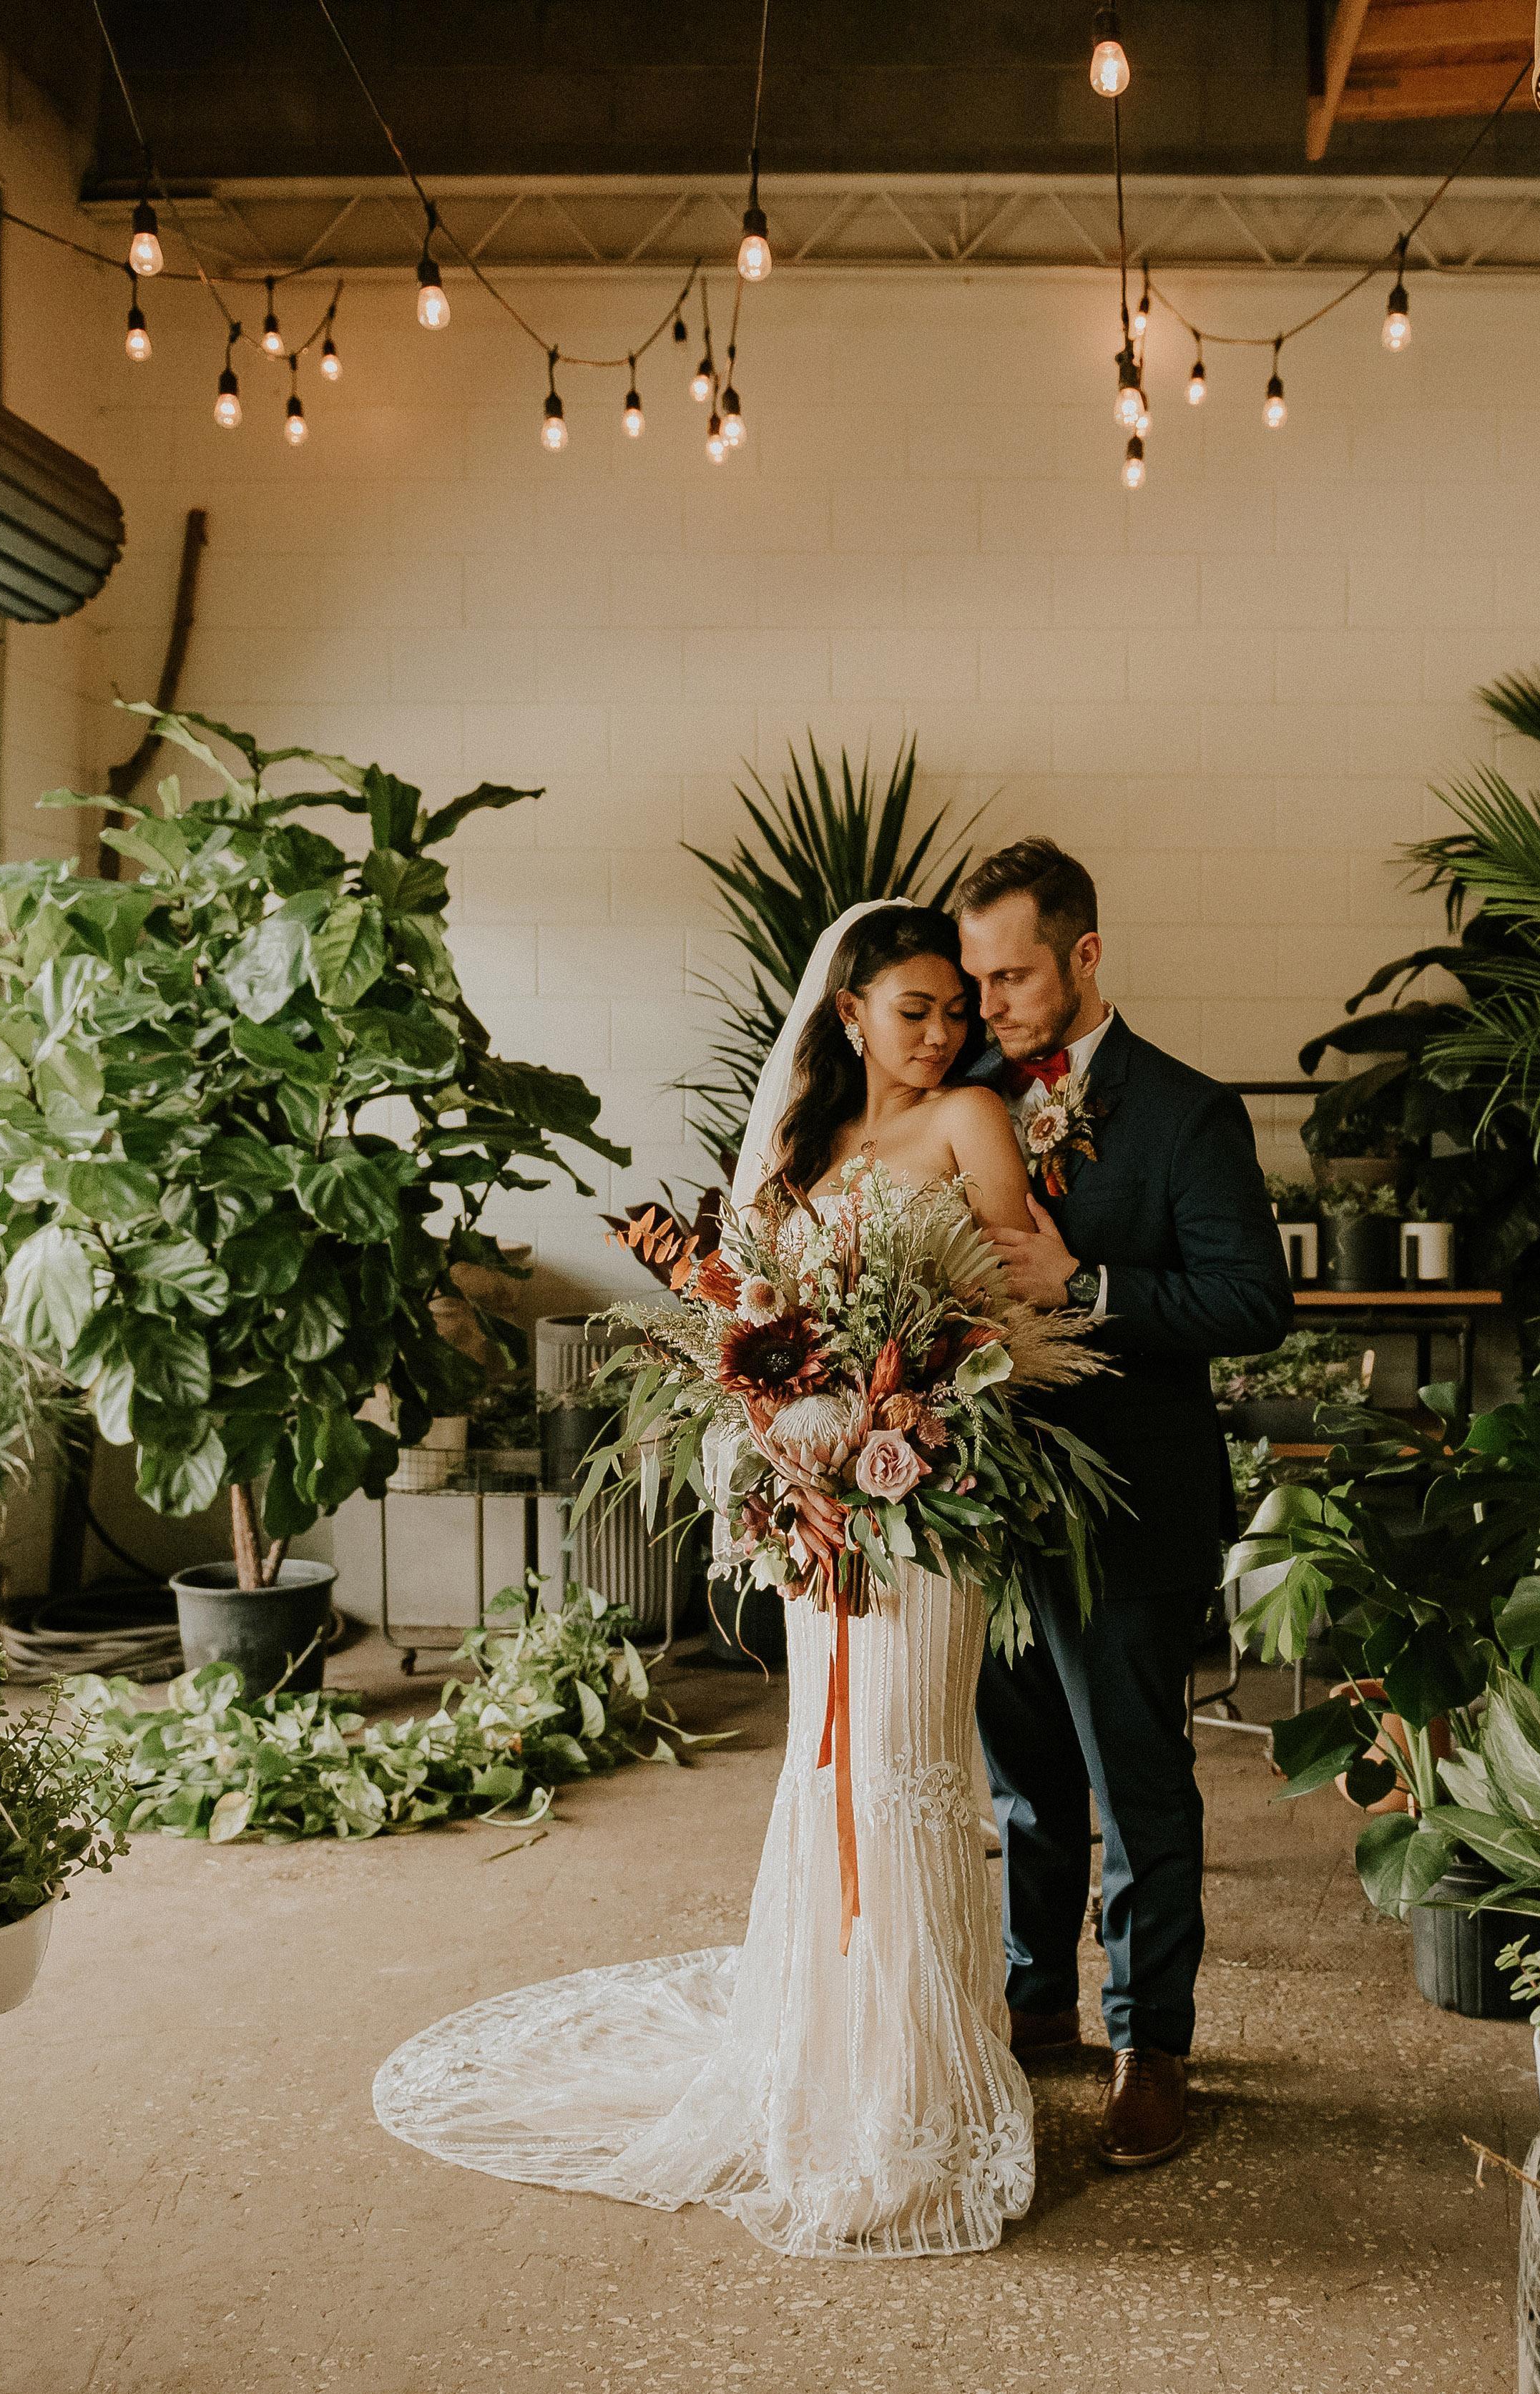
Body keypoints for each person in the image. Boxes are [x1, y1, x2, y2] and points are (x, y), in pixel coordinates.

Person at [373, 903, 1048, 2258]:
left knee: (905, 1774)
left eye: (954, 1011)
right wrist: (784, 1441)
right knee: (827, 1771)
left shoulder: (971, 1119)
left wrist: (906, 1409)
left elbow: (1019, 1305)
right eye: (912, 1010)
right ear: (847, 1012)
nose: (940, 1034)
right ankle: (826, 2067)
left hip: (922, 1501)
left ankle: (916, 2099)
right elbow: (742, 1317)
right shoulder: (798, 1145)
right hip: (813, 1509)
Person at [953, 838, 1296, 2172]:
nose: (987, 1005)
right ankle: (1037, 1998)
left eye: (1012, 977)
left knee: (1136, 1784)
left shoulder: (1187, 1113)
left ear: (1085, 955)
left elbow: (1251, 1302)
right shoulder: (964, 1095)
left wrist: (1084, 1287)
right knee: (1024, 1782)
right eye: (976, 979)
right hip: (987, 1504)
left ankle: (1152, 2043)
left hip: (1135, 1507)